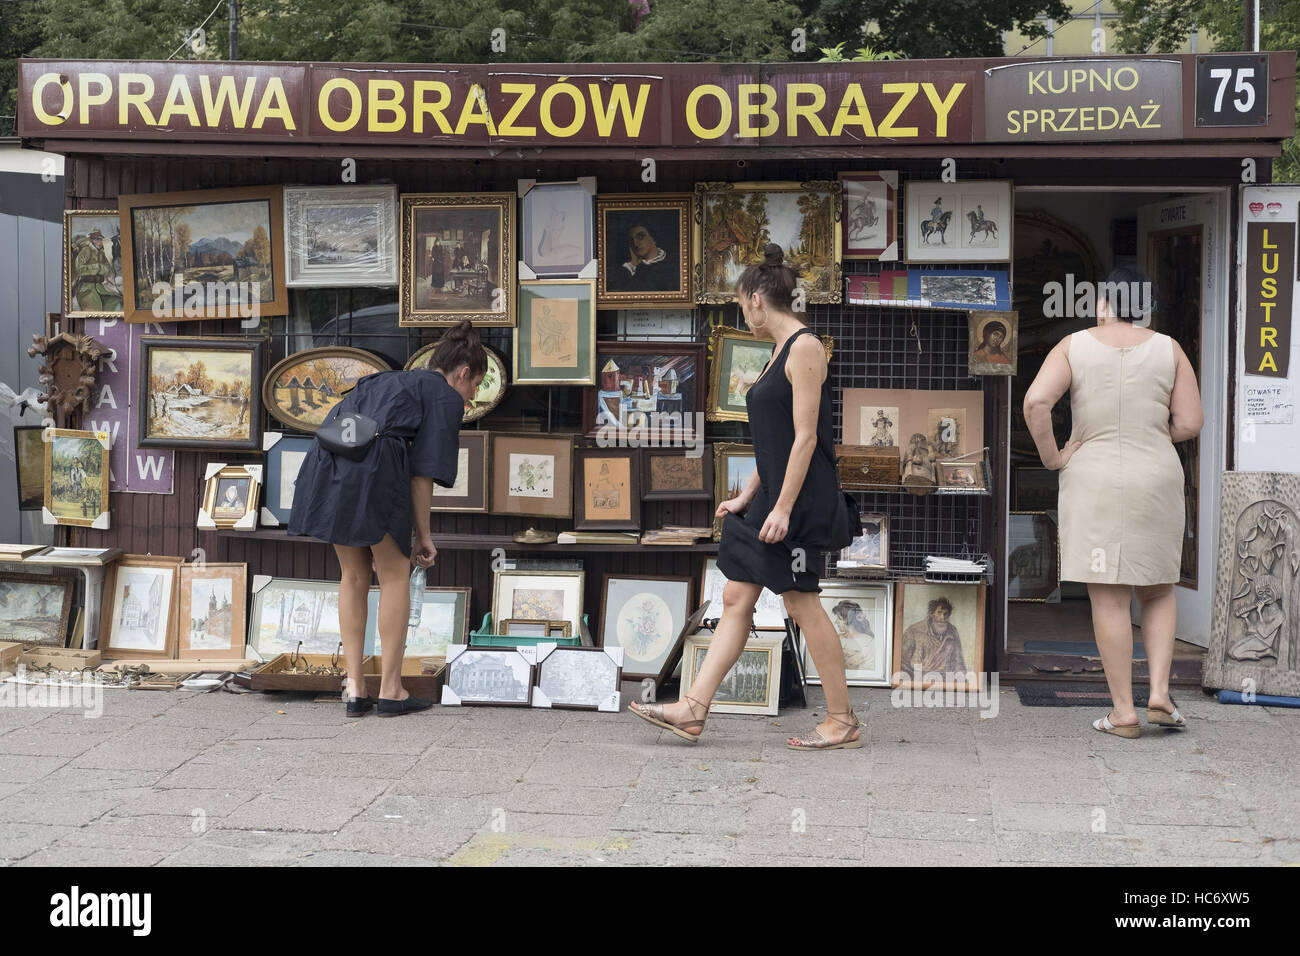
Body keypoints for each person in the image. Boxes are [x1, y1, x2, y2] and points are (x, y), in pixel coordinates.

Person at [630, 244, 861, 751]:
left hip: (800, 499)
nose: (743, 314)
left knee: (801, 603)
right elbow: (773, 444)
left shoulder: (804, 347)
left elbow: (805, 439)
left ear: (757, 299)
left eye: (741, 304)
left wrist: (780, 508)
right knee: (736, 595)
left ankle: (842, 720)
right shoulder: (778, 351)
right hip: (774, 495)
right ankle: (693, 709)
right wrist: (746, 497)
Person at [1023, 267, 1203, 739]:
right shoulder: (1169, 349)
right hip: (1156, 477)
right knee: (1160, 587)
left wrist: (1054, 457)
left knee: (1108, 594)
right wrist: (1148, 435)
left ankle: (1123, 711)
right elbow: (1189, 423)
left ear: (1103, 305)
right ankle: (1160, 694)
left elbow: (1035, 403)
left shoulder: (1074, 345)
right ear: (1146, 309)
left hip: (1093, 476)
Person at [289, 320, 487, 718]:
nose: (471, 396)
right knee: (395, 575)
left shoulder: (382, 381)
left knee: (353, 575)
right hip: (374, 471)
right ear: (463, 373)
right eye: (475, 386)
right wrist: (424, 537)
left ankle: (355, 688)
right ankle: (392, 690)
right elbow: (421, 475)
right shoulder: (444, 397)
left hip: (328, 466)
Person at [898, 597, 966, 681]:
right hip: (919, 680)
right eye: (939, 612)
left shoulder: (953, 632)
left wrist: (960, 679)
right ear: (931, 614)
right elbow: (902, 661)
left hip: (945, 681)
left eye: (946, 614)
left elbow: (958, 661)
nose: (942, 617)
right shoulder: (914, 631)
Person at [610, 222, 674, 293]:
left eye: (640, 237)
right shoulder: (629, 268)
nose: (635, 244)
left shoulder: (673, 262)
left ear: (652, 237)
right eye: (631, 240)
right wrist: (633, 264)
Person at [73, 229, 122, 312]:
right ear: (93, 241)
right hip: (86, 288)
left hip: (100, 287)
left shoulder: (101, 253)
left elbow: (108, 269)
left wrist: (102, 269)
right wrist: (97, 267)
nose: (101, 242)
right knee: (94, 309)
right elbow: (79, 269)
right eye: (98, 239)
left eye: (101, 239)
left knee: (117, 301)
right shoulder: (86, 251)